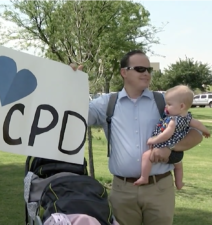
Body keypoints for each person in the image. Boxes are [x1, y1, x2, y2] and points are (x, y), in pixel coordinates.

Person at [71, 50, 203, 225]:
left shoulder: (164, 102)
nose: (146, 73)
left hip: (160, 188)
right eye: (140, 69)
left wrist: (170, 147)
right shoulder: (106, 104)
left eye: (149, 69)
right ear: (124, 72)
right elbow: (72, 115)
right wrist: (69, 81)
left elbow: (197, 134)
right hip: (122, 190)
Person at [134, 85, 210, 189]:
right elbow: (198, 124)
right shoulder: (188, 118)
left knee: (146, 156)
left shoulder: (173, 120)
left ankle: (144, 177)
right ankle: (179, 183)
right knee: (178, 166)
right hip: (177, 152)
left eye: (169, 104)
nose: (166, 107)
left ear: (181, 106)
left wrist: (154, 139)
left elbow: (167, 134)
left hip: (165, 146)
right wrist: (206, 131)